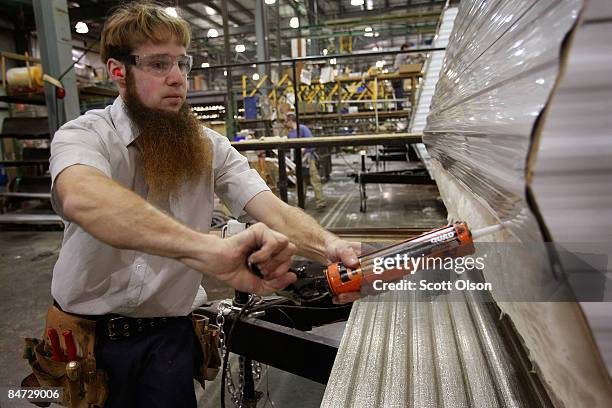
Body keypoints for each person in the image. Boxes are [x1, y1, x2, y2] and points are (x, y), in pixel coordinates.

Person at [47, 2, 358, 406]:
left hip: (169, 341)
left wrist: (330, 246)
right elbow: (83, 197)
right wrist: (208, 250)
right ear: (117, 71)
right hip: (87, 342)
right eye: (158, 64)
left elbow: (272, 209)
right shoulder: (85, 136)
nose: (177, 78)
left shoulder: (209, 148)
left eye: (182, 64)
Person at [284, 113, 326, 209]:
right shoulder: (290, 133)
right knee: (300, 182)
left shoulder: (302, 128)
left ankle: (320, 202)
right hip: (298, 160)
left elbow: (311, 142)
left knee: (314, 179)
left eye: (286, 121)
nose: (285, 124)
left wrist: (305, 149)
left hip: (308, 159)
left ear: (291, 121)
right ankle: (299, 203)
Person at [392, 43, 411, 110]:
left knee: (400, 91)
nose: (409, 50)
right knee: (399, 91)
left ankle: (400, 106)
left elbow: (408, 62)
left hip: (399, 75)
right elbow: (410, 55)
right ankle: (399, 107)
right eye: (407, 49)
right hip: (397, 75)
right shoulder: (401, 55)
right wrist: (420, 54)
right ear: (404, 48)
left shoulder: (404, 57)